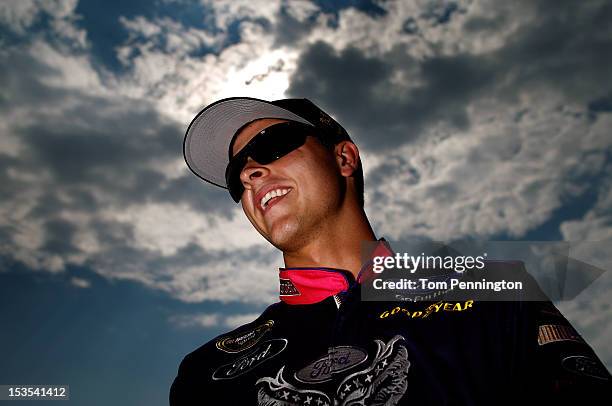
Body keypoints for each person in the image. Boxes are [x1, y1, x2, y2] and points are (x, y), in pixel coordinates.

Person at [170, 97, 611, 405]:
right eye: (235, 174)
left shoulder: (496, 291)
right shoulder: (205, 372)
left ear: (344, 159)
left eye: (270, 145)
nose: (250, 172)